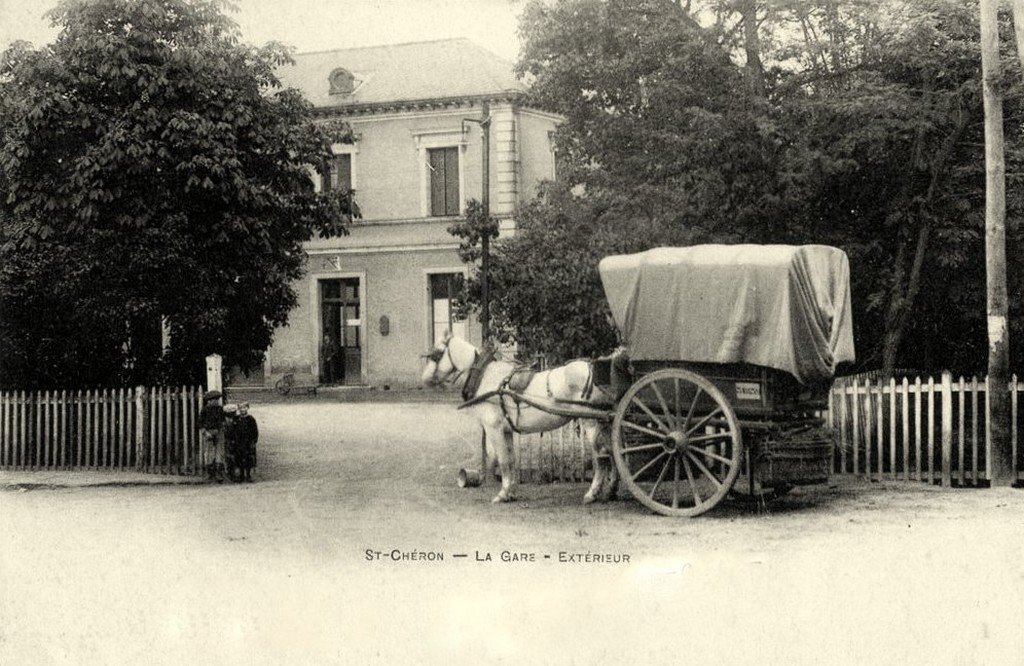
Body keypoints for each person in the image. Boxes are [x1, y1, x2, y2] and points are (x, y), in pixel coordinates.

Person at [199, 390, 226, 482]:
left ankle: (219, 473)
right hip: (208, 432)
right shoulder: (204, 410)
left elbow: (223, 420)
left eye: (217, 400)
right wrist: (205, 432)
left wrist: (221, 429)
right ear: (209, 401)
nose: (217, 401)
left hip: (218, 432)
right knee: (208, 452)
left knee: (219, 452)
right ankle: (209, 473)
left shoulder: (219, 409)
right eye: (214, 400)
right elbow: (200, 423)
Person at [235, 403, 259, 482]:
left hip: (248, 441)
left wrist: (254, 440)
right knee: (240, 458)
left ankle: (248, 475)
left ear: (247, 408)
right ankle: (241, 475)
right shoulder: (236, 419)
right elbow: (234, 430)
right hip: (239, 442)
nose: (243, 410)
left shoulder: (251, 419)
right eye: (241, 408)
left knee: (249, 457)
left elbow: (255, 430)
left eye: (244, 408)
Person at [222, 404, 239, 482]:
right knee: (229, 456)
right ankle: (231, 473)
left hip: (234, 439)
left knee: (233, 456)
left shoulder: (236, 420)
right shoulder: (225, 422)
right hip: (228, 440)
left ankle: (233, 472)